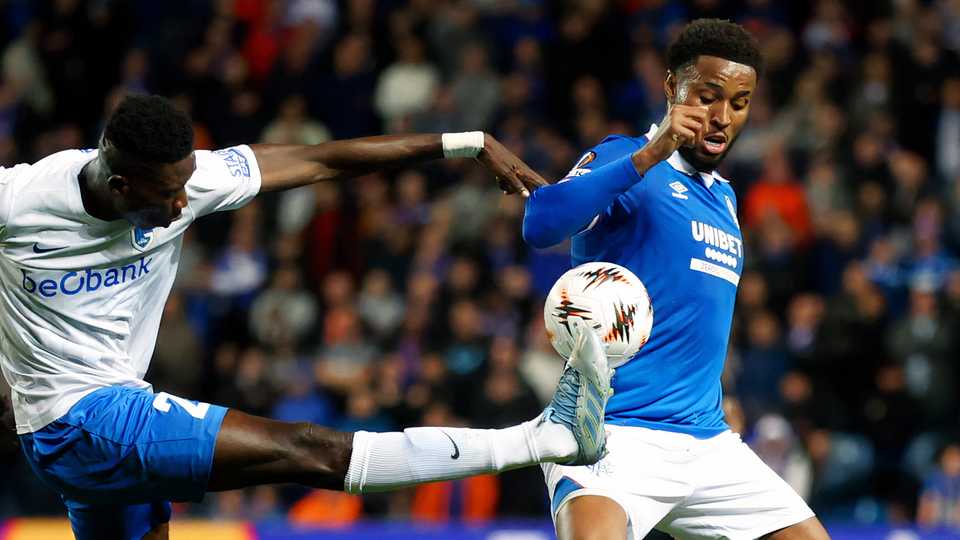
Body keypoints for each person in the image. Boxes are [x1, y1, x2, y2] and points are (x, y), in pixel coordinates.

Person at [0, 94, 615, 540]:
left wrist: (465, 142)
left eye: (187, 184)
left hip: (98, 425)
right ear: (121, 184)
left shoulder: (186, 180)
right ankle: (548, 437)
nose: (185, 202)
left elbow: (324, 160)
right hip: (80, 419)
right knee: (309, 449)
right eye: (169, 195)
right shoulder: (20, 202)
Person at [522, 19, 831, 540]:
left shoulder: (725, 198)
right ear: (672, 88)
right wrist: (649, 155)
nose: (722, 117)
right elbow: (540, 224)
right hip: (611, 435)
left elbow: (696, 318)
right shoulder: (626, 158)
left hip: (707, 442)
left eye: (740, 103)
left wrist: (721, 395)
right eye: (708, 97)